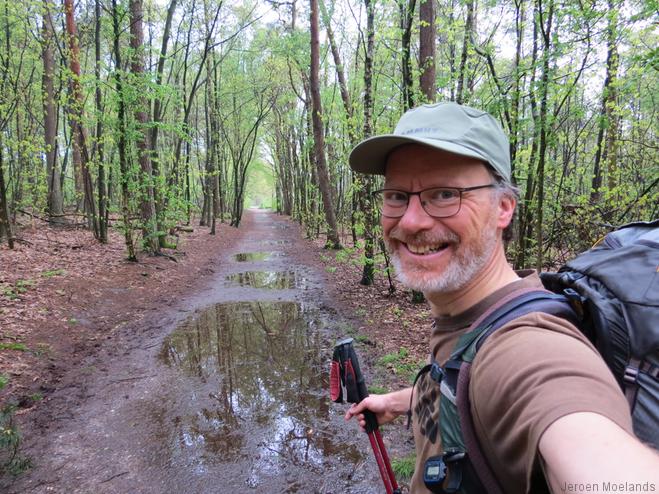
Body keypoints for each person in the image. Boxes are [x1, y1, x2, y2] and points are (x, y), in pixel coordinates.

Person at [344, 102, 659, 493]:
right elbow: (462, 386)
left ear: (503, 208)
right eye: (396, 195)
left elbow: (582, 438)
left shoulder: (528, 346)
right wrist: (401, 401)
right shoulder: (469, 315)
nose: (410, 220)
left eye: (444, 194)